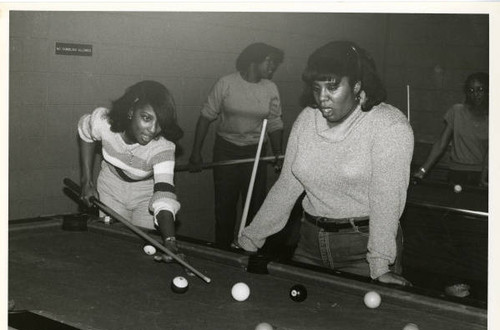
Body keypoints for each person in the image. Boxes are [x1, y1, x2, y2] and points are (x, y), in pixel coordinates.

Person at [238, 41, 414, 286]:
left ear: (356, 85)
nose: (322, 98)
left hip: (363, 249)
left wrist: (380, 264)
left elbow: (387, 200)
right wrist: (250, 239)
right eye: (316, 87)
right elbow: (287, 185)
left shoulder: (389, 126)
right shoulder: (307, 119)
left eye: (332, 87)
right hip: (309, 242)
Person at [188, 42, 285, 249]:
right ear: (254, 59)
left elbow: (275, 124)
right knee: (225, 206)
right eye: (270, 61)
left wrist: (279, 154)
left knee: (255, 207)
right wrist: (195, 153)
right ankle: (223, 251)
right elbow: (206, 117)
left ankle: (249, 251)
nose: (273, 67)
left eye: (275, 64)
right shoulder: (226, 83)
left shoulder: (270, 88)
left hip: (255, 152)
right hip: (226, 151)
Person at [78, 80, 184, 258]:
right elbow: (84, 131)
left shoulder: (163, 148)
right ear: (130, 111)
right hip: (111, 186)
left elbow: (164, 196)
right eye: (146, 118)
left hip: (146, 196)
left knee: (145, 251)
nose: (153, 130)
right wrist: (86, 181)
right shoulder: (103, 123)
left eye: (160, 123)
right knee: (112, 248)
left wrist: (170, 241)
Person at [413, 72, 489, 186]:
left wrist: (484, 178)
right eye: (471, 90)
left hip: (481, 174)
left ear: (488, 91)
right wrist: (422, 171)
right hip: (456, 173)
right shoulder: (456, 111)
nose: (476, 94)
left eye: (480, 89)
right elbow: (440, 144)